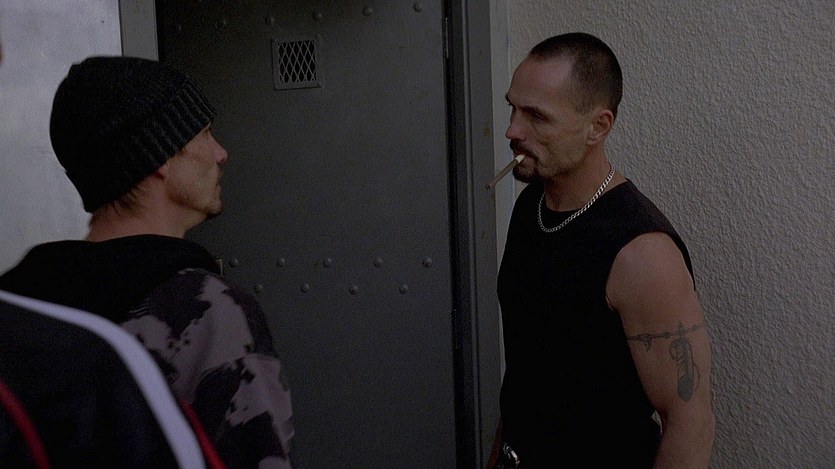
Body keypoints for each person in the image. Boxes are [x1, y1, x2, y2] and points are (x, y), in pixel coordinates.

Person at [0, 56, 295, 469]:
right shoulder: (212, 313)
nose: (221, 153)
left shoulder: (18, 304)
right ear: (160, 156)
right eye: (204, 133)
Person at [487, 32, 715, 468]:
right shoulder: (532, 205)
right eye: (512, 108)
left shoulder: (641, 253)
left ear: (598, 127)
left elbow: (690, 423)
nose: (512, 130)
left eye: (536, 116)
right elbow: (529, 371)